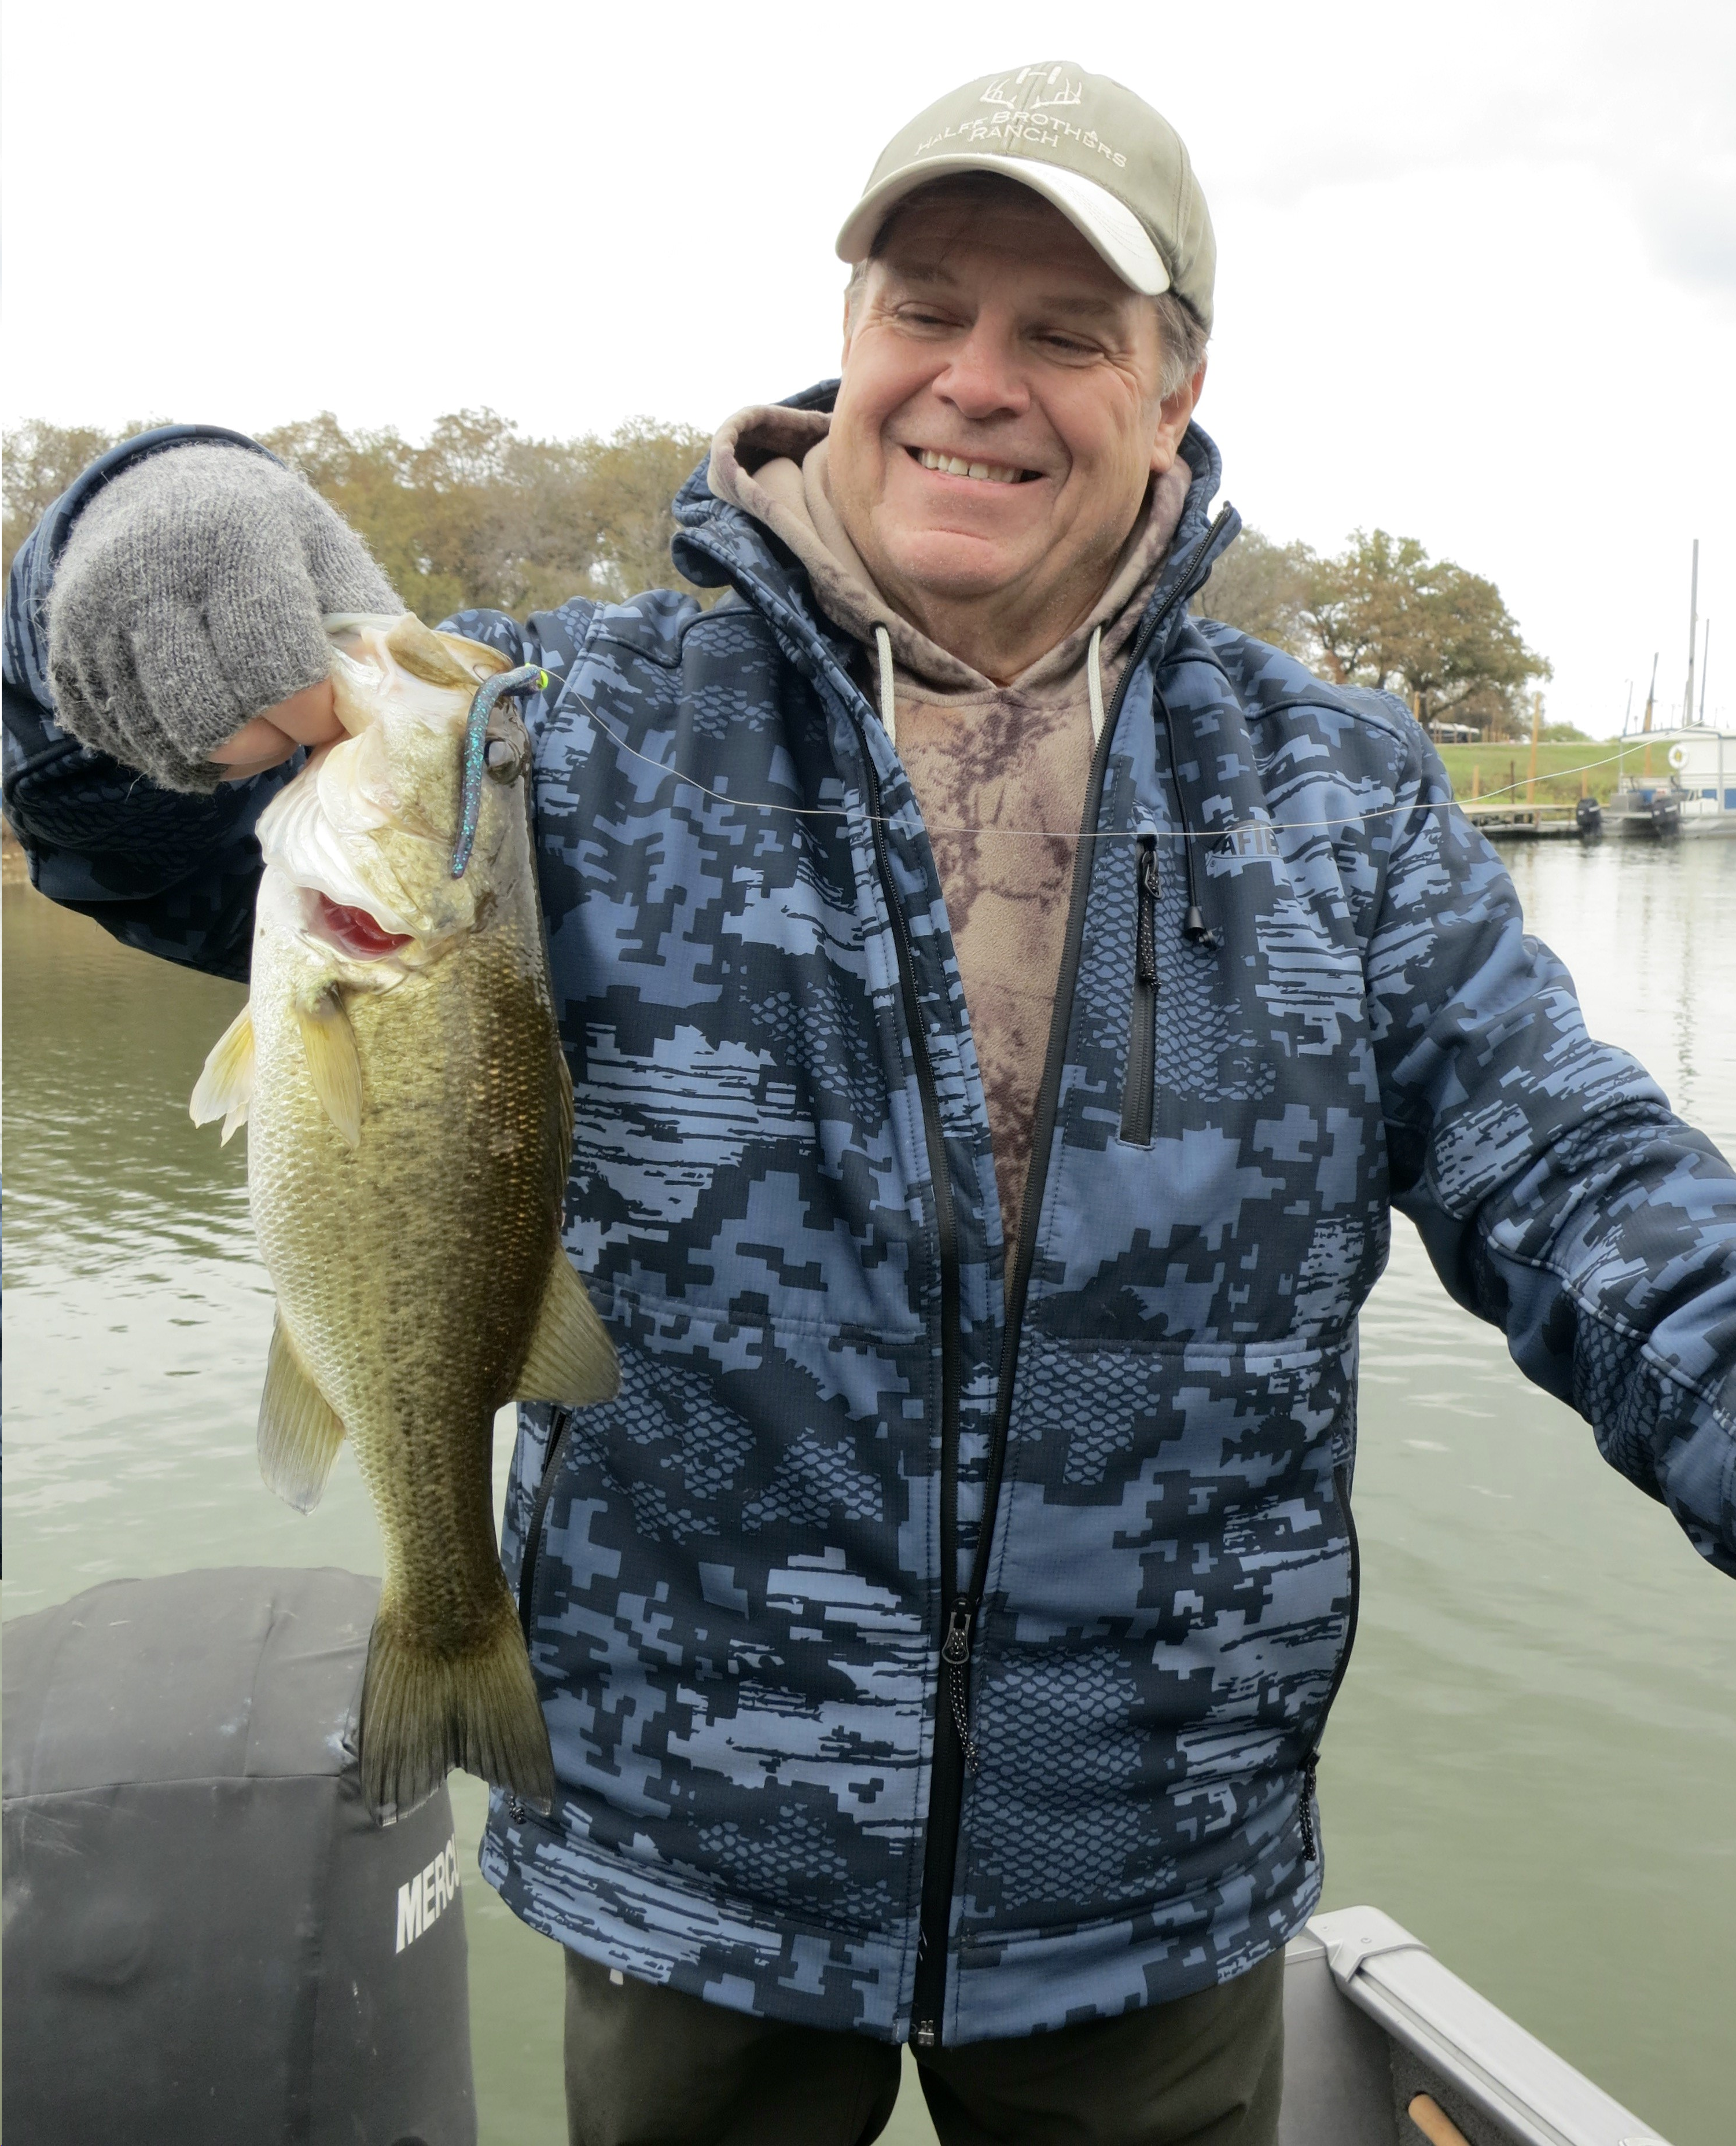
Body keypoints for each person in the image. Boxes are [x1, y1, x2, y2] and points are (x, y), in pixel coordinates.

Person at [5, 60, 1734, 2146]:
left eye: (1065, 334)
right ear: (847, 341)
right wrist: (117, 537)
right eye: (927, 310)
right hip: (690, 1845)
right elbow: (133, 821)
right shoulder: (553, 732)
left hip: (1149, 1871)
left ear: (1175, 391)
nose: (975, 383)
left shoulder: (1338, 798)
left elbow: (1581, 1184)